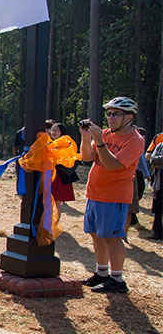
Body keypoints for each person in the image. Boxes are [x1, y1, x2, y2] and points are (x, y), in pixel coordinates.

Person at [79, 97, 144, 293]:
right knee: (96, 234)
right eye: (109, 113)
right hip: (95, 193)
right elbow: (86, 157)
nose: (110, 118)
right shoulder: (106, 134)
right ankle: (102, 273)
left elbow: (113, 164)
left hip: (114, 196)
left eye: (116, 114)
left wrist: (99, 142)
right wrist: (85, 137)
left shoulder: (135, 140)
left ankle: (117, 280)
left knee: (112, 238)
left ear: (129, 117)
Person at [49, 123, 77, 220]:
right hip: (50, 175)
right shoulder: (50, 144)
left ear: (62, 132)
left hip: (61, 176)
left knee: (57, 202)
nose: (53, 132)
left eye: (56, 130)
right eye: (52, 130)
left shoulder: (67, 143)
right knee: (48, 201)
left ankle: (55, 224)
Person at [148, 138, 163, 240]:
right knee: (158, 207)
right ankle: (157, 232)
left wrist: (159, 161)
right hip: (160, 181)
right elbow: (152, 159)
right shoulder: (160, 145)